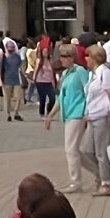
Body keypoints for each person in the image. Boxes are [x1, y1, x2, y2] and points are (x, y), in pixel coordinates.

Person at [43, 45, 88, 192]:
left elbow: (89, 92)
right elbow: (60, 98)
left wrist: (88, 112)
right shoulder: (65, 74)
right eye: (61, 56)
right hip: (68, 114)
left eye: (64, 56)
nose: (61, 59)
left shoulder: (80, 71)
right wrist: (50, 115)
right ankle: (101, 175)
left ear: (72, 57)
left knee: (71, 149)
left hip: (78, 112)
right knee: (78, 150)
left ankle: (76, 182)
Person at [82, 45, 110, 196]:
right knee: (84, 150)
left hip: (102, 117)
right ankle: (107, 176)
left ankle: (106, 184)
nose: (85, 59)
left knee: (101, 151)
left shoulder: (106, 74)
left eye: (88, 56)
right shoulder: (93, 74)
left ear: (95, 58)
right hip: (92, 116)